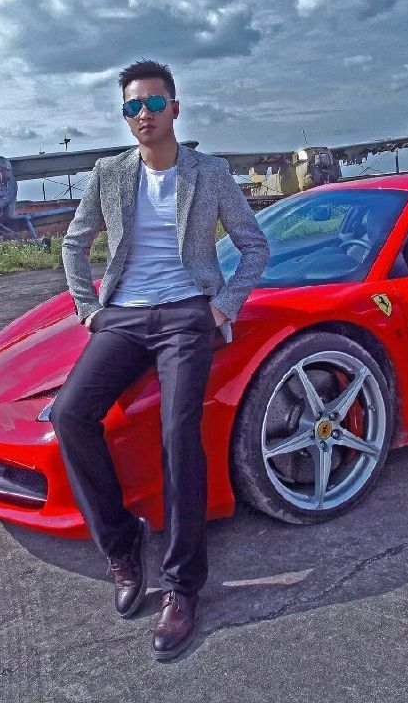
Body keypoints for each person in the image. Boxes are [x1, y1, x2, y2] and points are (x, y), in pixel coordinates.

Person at [52, 59, 269, 661]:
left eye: (153, 103)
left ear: (175, 108)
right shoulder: (108, 174)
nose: (143, 114)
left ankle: (182, 586)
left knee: (179, 433)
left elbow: (254, 246)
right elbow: (75, 243)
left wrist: (222, 307)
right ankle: (122, 548)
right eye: (132, 106)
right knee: (70, 414)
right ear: (125, 116)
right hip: (122, 314)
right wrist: (87, 309)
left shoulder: (210, 173)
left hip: (186, 313)